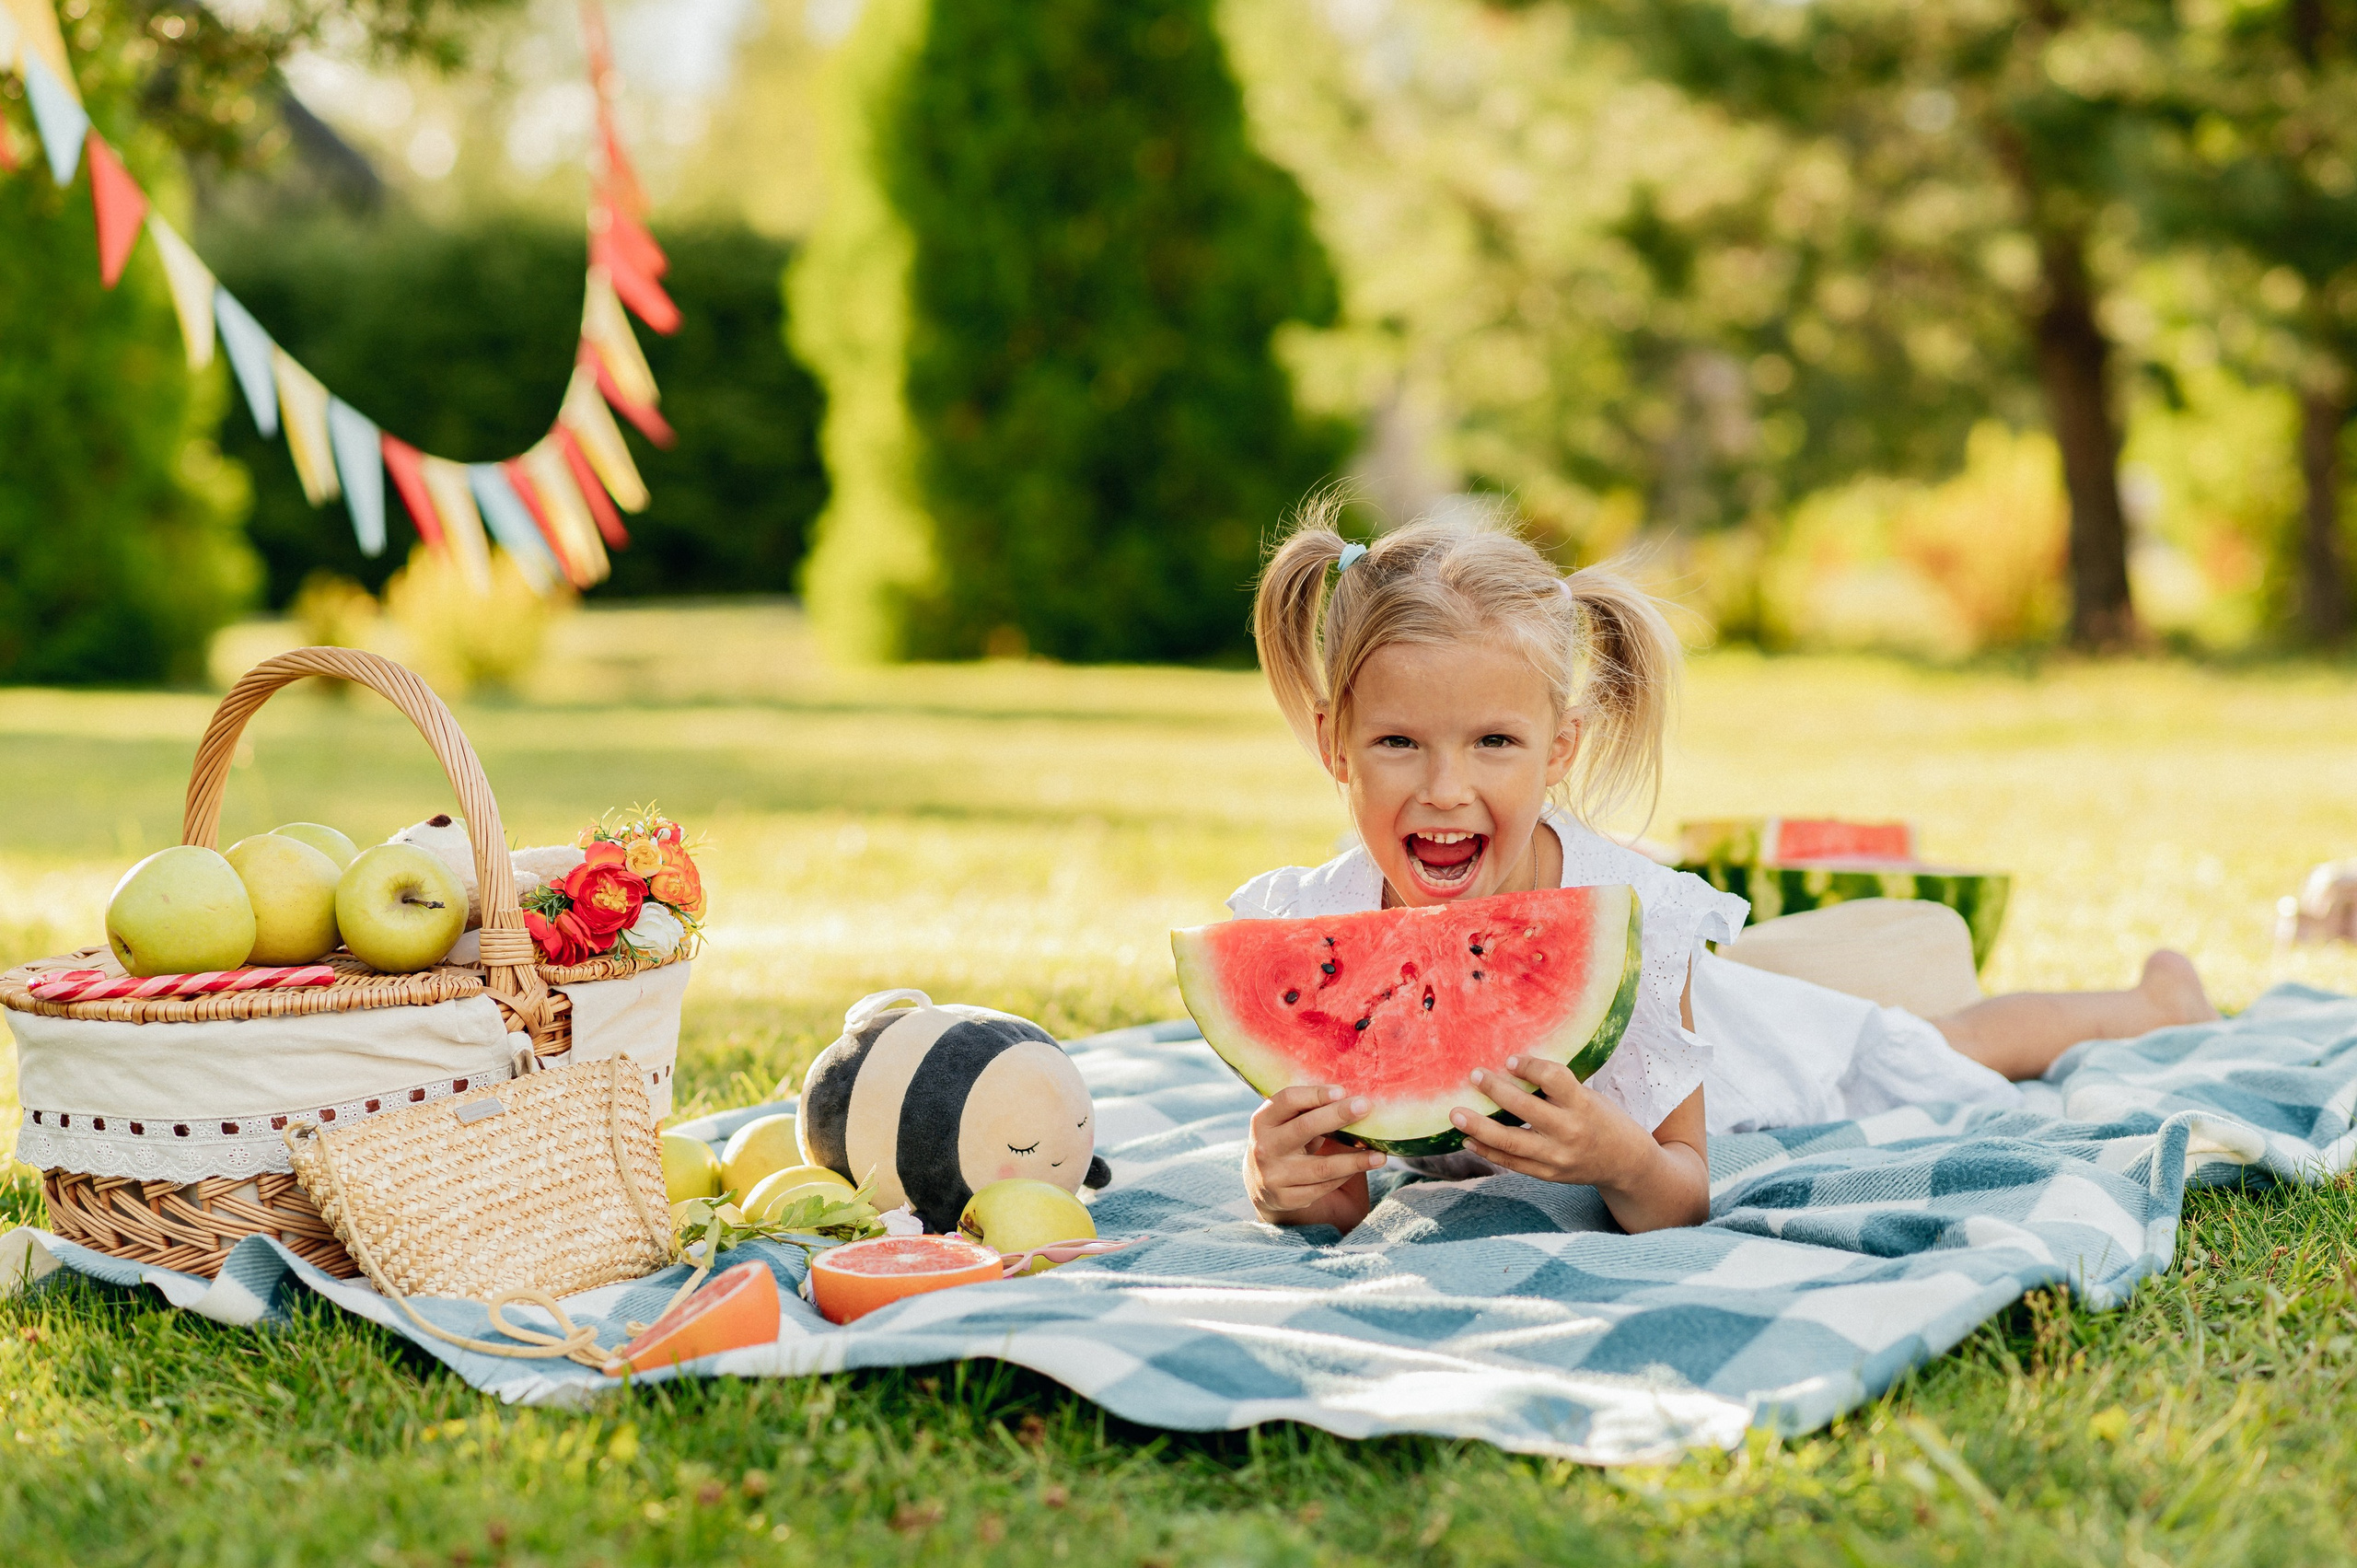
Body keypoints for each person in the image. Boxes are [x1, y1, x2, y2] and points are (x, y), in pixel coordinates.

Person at [1231, 505, 2216, 1237]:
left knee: (1933, 1039)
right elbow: (1342, 1206)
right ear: (1334, 743)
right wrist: (1285, 1182)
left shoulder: (1630, 919)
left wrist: (1612, 1155)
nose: (1446, 788)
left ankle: (2151, 1003)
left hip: (1748, 1055)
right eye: (1399, 741)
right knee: (1870, 990)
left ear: (1560, 747)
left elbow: (1678, 1194)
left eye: (1494, 740)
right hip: (1717, 987)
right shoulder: (1319, 933)